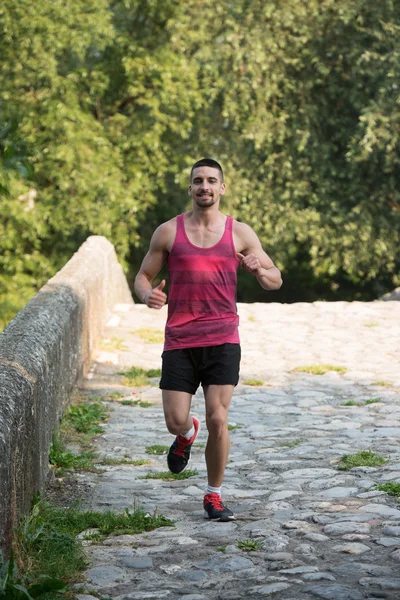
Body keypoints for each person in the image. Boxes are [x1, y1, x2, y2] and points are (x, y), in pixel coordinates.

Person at [134, 158, 282, 521]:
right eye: (198, 181)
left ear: (222, 188)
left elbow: (275, 279)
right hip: (180, 340)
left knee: (218, 417)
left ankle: (213, 495)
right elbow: (142, 275)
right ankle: (185, 435)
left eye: (211, 181)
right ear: (190, 188)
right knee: (174, 419)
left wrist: (258, 268)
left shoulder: (240, 233)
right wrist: (146, 295)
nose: (205, 186)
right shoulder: (168, 232)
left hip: (222, 338)